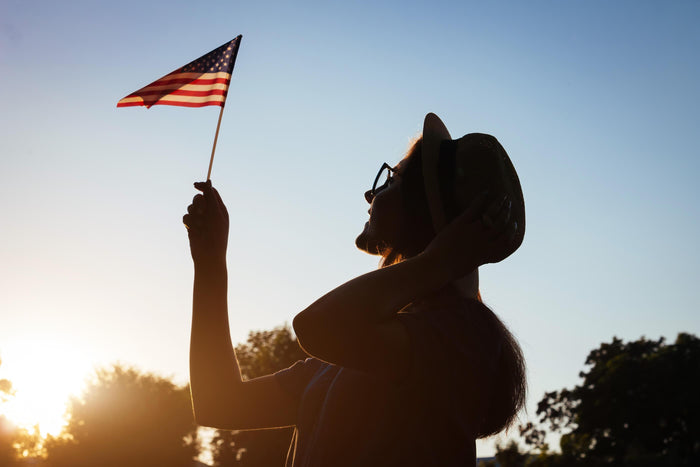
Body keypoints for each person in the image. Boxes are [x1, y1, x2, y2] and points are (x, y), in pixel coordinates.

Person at [183, 113, 527, 466]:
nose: (370, 194)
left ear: (423, 205)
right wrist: (210, 266)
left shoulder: (462, 337)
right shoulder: (342, 359)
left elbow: (316, 328)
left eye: (391, 180)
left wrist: (438, 262)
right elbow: (219, 402)